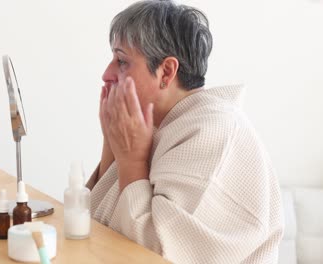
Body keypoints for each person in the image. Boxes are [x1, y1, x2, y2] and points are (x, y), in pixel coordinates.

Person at [85, 1, 284, 263]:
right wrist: (112, 141)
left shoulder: (214, 131)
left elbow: (155, 254)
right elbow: (93, 222)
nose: (107, 74)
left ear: (166, 71)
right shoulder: (162, 125)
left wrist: (132, 161)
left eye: (122, 61)